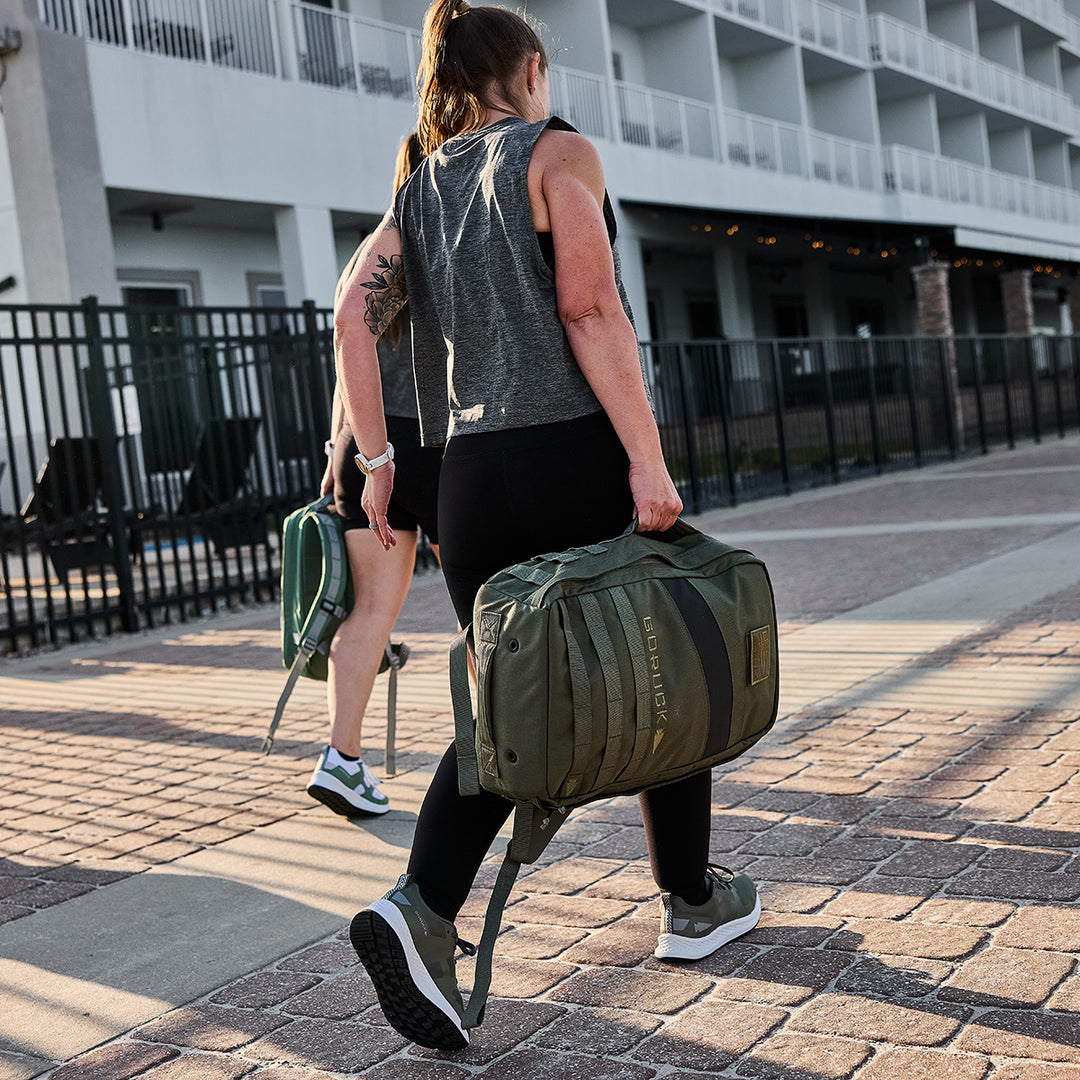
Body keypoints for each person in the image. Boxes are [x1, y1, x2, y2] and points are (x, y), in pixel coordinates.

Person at [333, 0, 761, 1051]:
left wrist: (381, 465)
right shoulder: (557, 152)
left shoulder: (418, 185)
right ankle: (691, 900)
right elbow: (589, 308)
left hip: (469, 477)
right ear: (529, 68)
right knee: (664, 644)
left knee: (503, 702)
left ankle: (421, 911)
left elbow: (351, 315)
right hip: (571, 449)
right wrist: (648, 461)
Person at [307, 134, 443, 818]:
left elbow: (346, 355)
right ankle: (503, 751)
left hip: (365, 450)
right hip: (439, 442)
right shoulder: (447, 243)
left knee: (369, 611)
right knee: (487, 603)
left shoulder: (368, 253)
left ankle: (342, 758)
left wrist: (346, 455)